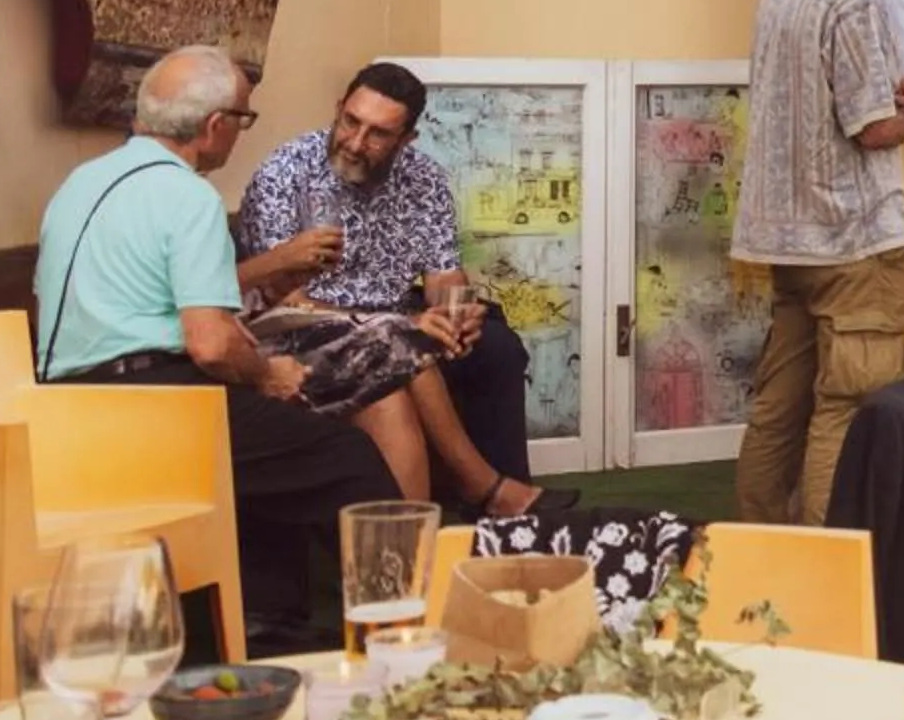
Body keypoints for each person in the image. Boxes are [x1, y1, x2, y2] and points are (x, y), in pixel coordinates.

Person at [33, 45, 398, 649]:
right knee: (345, 458)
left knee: (270, 445)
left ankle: (262, 622)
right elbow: (209, 345)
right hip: (152, 410)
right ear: (215, 127)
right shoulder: (190, 198)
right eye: (243, 118)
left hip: (65, 410)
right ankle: (399, 631)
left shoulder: (80, 182)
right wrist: (267, 371)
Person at [236, 61, 556, 515]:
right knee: (400, 343)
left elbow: (443, 271)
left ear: (406, 139)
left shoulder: (423, 178)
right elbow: (282, 297)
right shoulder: (285, 173)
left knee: (495, 348)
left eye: (378, 134)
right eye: (351, 121)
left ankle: (507, 518)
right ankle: (486, 490)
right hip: (308, 324)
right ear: (338, 108)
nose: (355, 143)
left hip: (397, 314)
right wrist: (405, 323)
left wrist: (454, 311)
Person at [732, 0, 904, 525]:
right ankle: (828, 564)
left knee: (780, 405)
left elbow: (815, 99)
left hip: (786, 234)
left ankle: (755, 547)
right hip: (851, 236)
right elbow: (870, 128)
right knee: (847, 406)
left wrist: (894, 92)